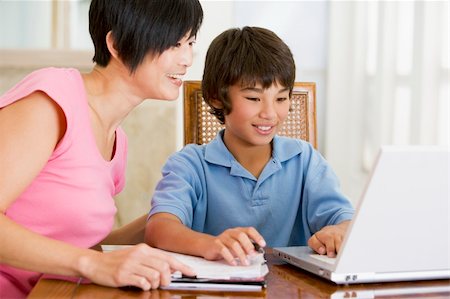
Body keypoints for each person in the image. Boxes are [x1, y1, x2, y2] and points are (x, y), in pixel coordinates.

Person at [0, 0, 203, 297]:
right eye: (174, 43)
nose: (187, 59)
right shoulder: (51, 100)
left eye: (190, 43)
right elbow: (88, 259)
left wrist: (170, 215)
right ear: (118, 44)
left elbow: (80, 244)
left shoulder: (117, 140)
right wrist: (92, 264)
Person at [145, 26, 354, 267]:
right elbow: (159, 228)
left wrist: (339, 231)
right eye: (254, 98)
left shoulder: (304, 159)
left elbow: (345, 219)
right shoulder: (189, 164)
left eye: (281, 98)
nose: (269, 113)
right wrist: (210, 245)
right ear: (215, 97)